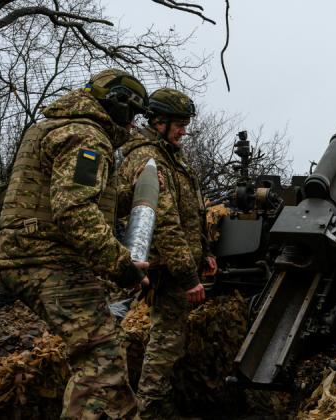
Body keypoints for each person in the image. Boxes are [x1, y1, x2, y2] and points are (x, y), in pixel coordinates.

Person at [0, 68, 150, 419]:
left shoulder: (57, 126)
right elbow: (74, 210)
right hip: (45, 260)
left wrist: (131, 194)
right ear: (119, 105)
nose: (134, 123)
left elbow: (74, 199)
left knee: (97, 355)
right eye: (134, 113)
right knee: (101, 362)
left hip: (29, 255)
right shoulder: (86, 136)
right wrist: (121, 265)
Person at [116, 87, 215, 418]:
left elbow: (193, 213)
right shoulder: (149, 159)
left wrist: (205, 255)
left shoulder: (172, 157)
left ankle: (158, 401)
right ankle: (150, 408)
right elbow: (165, 223)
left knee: (169, 339)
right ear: (159, 122)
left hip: (179, 263)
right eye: (180, 124)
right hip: (167, 268)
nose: (184, 131)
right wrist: (189, 277)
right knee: (166, 342)